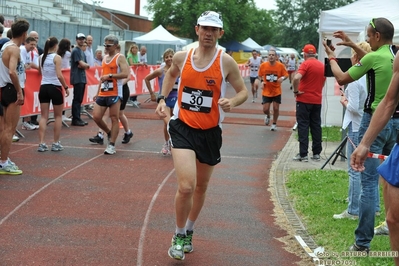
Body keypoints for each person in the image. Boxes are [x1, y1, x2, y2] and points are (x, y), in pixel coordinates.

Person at [155, 10, 248, 260]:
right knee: (187, 186)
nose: (208, 33)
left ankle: (189, 230)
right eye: (204, 28)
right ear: (197, 30)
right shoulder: (181, 57)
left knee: (201, 187)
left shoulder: (225, 61)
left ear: (221, 33)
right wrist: (162, 98)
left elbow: (242, 92)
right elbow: (171, 74)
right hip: (182, 127)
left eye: (213, 29)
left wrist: (233, 101)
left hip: (209, 132)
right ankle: (177, 234)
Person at [324, 18, 397, 253]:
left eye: (368, 36)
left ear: (376, 36)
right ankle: (389, 224)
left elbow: (342, 78)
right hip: (395, 123)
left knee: (368, 185)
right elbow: (370, 55)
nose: (365, 40)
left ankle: (362, 242)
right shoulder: (392, 55)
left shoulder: (375, 57)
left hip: (375, 121)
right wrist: (352, 44)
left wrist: (332, 58)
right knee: (389, 181)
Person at [333, 42, 377, 220]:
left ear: (356, 57)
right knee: (371, 172)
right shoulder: (372, 76)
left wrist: (343, 101)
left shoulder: (354, 79)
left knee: (354, 170)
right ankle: (374, 207)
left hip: (356, 127)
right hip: (370, 126)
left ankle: (353, 209)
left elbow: (354, 107)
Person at [0, 18, 30, 175]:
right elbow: (12, 71)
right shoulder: (14, 49)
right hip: (11, 89)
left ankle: (3, 160)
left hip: (5, 88)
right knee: (9, 129)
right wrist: (19, 91)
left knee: (5, 128)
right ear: (24, 34)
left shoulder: (5, 45)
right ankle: (3, 162)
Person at [91, 35, 129, 155]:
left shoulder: (120, 58)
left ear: (116, 46)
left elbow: (126, 73)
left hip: (115, 92)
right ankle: (108, 132)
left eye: (108, 45)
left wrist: (111, 76)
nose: (106, 47)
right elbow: (102, 77)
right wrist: (97, 92)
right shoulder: (104, 58)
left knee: (114, 118)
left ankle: (111, 145)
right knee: (96, 117)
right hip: (103, 92)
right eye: (105, 45)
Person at [292, 44, 326, 162]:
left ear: (305, 54)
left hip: (304, 99)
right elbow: (323, 81)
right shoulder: (322, 66)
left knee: (303, 125)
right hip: (317, 100)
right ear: (315, 54)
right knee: (316, 126)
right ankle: (316, 153)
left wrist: (296, 91)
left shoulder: (305, 64)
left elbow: (296, 78)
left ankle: (303, 154)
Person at [37, 37, 70, 152]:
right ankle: (55, 143)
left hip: (43, 87)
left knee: (43, 116)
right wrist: (66, 87)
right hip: (55, 87)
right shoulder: (57, 57)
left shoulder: (41, 57)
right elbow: (59, 75)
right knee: (58, 116)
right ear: (56, 45)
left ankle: (41, 143)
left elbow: (40, 72)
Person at [145, 48, 176, 155]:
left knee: (176, 122)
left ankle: (175, 143)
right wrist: (152, 93)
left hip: (176, 98)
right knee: (167, 122)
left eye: (171, 56)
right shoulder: (160, 71)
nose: (169, 59)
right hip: (164, 99)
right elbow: (147, 79)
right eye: (166, 57)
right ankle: (167, 143)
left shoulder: (178, 70)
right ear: (164, 59)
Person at [258, 49, 288, 131]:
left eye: (273, 55)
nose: (271, 56)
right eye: (270, 55)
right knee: (265, 109)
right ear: (267, 56)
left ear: (276, 57)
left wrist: (282, 78)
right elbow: (260, 75)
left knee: (276, 108)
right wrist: (262, 81)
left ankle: (274, 123)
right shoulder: (263, 65)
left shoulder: (280, 66)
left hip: (276, 90)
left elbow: (286, 75)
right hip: (266, 90)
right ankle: (268, 115)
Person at [19, 36, 40, 130]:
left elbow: (29, 65)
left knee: (25, 100)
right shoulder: (22, 50)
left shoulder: (29, 52)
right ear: (26, 43)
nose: (33, 46)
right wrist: (28, 66)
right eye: (31, 44)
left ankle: (26, 122)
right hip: (18, 81)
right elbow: (24, 66)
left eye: (34, 45)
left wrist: (30, 66)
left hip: (23, 80)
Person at [70, 33, 90, 126]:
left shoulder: (81, 51)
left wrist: (84, 65)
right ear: (76, 40)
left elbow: (84, 64)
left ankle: (77, 117)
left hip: (81, 77)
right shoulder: (76, 51)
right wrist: (85, 65)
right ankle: (76, 119)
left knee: (79, 99)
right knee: (77, 99)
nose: (81, 40)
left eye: (83, 39)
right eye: (80, 39)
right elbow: (81, 64)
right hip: (77, 78)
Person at [57, 38, 72, 122]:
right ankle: (62, 115)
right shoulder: (67, 53)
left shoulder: (58, 53)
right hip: (65, 74)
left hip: (61, 72)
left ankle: (61, 114)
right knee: (64, 93)